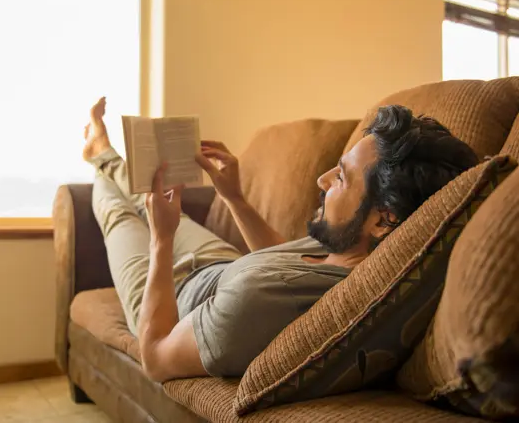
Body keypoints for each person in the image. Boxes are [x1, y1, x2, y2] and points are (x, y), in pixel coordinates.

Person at [83, 97, 478, 382]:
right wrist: (233, 197)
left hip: (170, 294)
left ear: (384, 219)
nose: (322, 181)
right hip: (219, 262)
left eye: (340, 177)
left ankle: (100, 154)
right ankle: (104, 152)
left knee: (112, 204)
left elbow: (155, 359)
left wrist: (161, 243)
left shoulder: (259, 303)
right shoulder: (352, 247)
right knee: (145, 197)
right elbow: (277, 262)